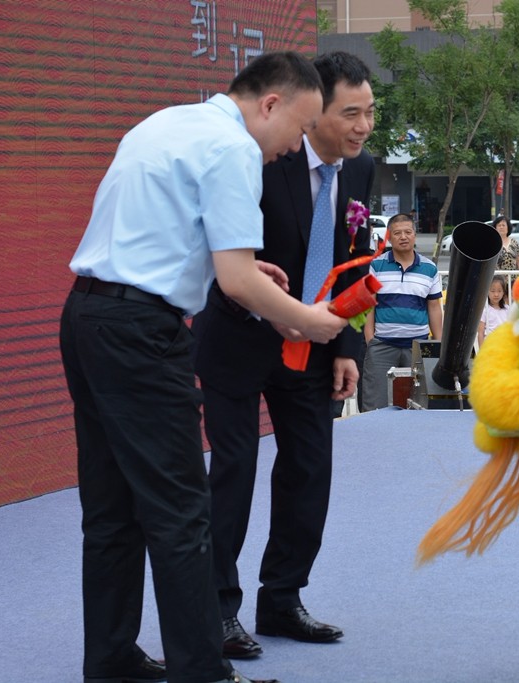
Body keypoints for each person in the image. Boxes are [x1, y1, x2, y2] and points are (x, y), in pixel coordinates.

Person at [59, 51, 346, 683]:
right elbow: (238, 279)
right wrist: (306, 318)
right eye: (298, 131)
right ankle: (203, 673)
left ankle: (111, 659)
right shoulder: (233, 149)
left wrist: (242, 273)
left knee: (112, 510)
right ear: (269, 104)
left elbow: (178, 243)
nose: (293, 150)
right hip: (141, 337)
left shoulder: (165, 123)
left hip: (88, 319)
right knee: (182, 512)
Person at [190, 51, 376, 655]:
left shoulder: (361, 169)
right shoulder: (264, 155)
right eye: (350, 113)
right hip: (240, 337)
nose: (362, 126)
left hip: (315, 349)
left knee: (308, 470)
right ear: (313, 110)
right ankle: (217, 610)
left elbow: (352, 251)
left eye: (370, 113)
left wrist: (345, 342)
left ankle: (283, 598)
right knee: (235, 472)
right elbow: (227, 260)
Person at [361, 214, 443, 411]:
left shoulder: (429, 269)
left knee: (420, 405)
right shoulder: (376, 266)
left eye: (408, 232)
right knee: (375, 405)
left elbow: (434, 307)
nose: (403, 237)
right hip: (382, 346)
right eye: (397, 233)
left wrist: (438, 344)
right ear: (389, 237)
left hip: (417, 348)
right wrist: (370, 339)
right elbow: (368, 305)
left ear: (415, 235)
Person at [478, 275, 509, 347]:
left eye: (499, 291)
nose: (496, 294)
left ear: (503, 292)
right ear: (487, 291)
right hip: (490, 346)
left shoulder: (507, 309)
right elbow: (480, 333)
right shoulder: (484, 310)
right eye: (492, 291)